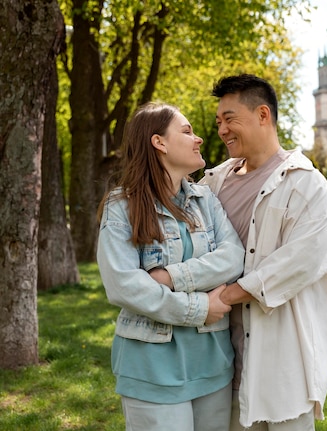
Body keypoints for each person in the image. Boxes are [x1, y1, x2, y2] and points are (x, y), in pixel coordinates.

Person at [199, 74, 327, 430]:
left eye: (230, 119)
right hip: (221, 361)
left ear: (263, 115)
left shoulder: (305, 183)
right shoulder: (212, 183)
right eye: (219, 121)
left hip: (282, 362)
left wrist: (222, 296)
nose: (222, 130)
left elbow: (297, 263)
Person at [96, 102, 245, 431]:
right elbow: (124, 285)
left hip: (213, 365)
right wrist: (200, 307)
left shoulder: (206, 200)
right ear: (159, 142)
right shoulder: (121, 207)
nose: (199, 139)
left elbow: (234, 256)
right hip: (150, 368)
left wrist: (170, 277)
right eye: (187, 131)